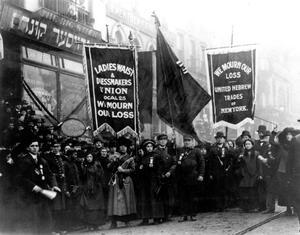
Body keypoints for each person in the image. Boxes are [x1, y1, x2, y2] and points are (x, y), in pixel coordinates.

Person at [15, 138, 58, 234]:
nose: (35, 148)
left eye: (36, 146)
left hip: (43, 194)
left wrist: (54, 185)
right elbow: (19, 177)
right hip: (29, 195)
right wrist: (32, 186)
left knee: (46, 218)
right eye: (32, 146)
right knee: (34, 220)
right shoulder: (23, 160)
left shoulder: (42, 160)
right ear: (28, 148)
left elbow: (50, 174)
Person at [107, 137, 137, 228]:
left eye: (124, 146)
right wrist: (114, 162)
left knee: (126, 201)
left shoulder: (130, 158)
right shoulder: (114, 156)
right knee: (115, 202)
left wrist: (123, 170)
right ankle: (114, 222)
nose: (122, 148)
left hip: (126, 181)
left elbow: (133, 170)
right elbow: (109, 168)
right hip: (115, 181)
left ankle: (126, 220)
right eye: (121, 146)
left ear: (127, 148)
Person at [176, 135, 205, 222]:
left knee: (193, 197)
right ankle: (183, 215)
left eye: (188, 141)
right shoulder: (180, 150)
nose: (187, 142)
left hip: (193, 177)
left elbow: (202, 163)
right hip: (182, 177)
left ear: (192, 142)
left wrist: (201, 175)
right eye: (185, 141)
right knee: (182, 197)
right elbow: (177, 163)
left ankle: (193, 214)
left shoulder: (196, 151)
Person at [137, 139, 164, 225]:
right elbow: (140, 168)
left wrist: (158, 178)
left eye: (150, 146)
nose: (149, 148)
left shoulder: (156, 156)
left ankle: (156, 218)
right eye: (147, 147)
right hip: (145, 181)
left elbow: (160, 168)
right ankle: (145, 219)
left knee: (154, 199)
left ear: (153, 147)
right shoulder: (143, 157)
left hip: (153, 180)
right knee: (145, 199)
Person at [154, 133, 177, 222]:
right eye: (161, 140)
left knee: (169, 196)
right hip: (159, 177)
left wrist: (170, 172)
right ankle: (161, 215)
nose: (163, 141)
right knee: (160, 197)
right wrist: (160, 174)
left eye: (165, 139)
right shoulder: (155, 151)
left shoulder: (170, 150)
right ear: (158, 141)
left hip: (169, 177)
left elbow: (174, 163)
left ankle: (168, 215)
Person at [80, 153, 106, 231]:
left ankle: (96, 225)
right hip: (87, 188)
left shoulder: (97, 165)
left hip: (97, 187)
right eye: (87, 156)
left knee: (97, 206)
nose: (89, 158)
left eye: (90, 156)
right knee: (89, 206)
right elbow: (82, 177)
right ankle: (89, 225)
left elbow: (101, 174)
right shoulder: (83, 165)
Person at [207, 131, 232, 211]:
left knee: (225, 189)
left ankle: (225, 206)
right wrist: (210, 173)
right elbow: (210, 162)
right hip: (216, 172)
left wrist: (228, 168)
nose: (219, 140)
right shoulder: (212, 149)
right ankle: (217, 206)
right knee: (216, 189)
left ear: (224, 139)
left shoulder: (227, 148)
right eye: (218, 138)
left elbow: (230, 159)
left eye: (221, 138)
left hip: (225, 171)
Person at [237, 139, 263, 212]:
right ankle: (245, 207)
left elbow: (259, 165)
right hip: (245, 175)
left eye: (249, 144)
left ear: (252, 145)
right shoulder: (242, 154)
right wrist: (239, 159)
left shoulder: (256, 153)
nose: (247, 146)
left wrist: (260, 174)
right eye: (246, 144)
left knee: (253, 191)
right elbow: (239, 165)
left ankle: (254, 206)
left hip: (254, 174)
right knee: (245, 191)